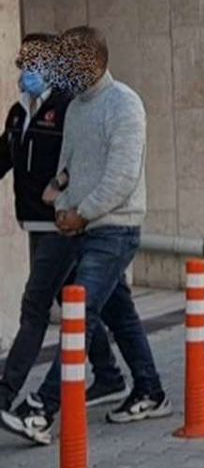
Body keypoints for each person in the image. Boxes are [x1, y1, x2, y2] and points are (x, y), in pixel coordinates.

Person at [2, 27, 170, 445]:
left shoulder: (124, 104)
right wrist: (58, 194)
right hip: (75, 224)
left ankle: (42, 409)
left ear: (93, 60)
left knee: (80, 314)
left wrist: (81, 212)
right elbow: (69, 164)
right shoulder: (77, 108)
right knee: (119, 314)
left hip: (113, 228)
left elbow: (122, 176)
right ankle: (149, 390)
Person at [0, 33, 125, 416]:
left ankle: (8, 392)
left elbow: (83, 162)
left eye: (36, 64)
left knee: (39, 306)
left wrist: (64, 191)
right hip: (35, 223)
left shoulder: (68, 106)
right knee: (81, 303)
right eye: (24, 63)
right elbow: (4, 155)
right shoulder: (18, 112)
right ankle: (112, 375)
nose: (27, 71)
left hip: (64, 223)